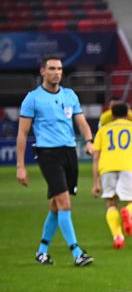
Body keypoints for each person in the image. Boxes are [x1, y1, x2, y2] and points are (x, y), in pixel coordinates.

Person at [15, 56, 95, 266]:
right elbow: (22, 134)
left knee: (56, 204)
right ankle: (77, 252)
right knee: (64, 203)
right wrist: (20, 166)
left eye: (59, 68)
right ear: (42, 71)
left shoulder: (70, 95)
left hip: (69, 153)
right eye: (52, 68)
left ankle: (42, 251)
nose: (57, 72)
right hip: (48, 154)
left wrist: (89, 141)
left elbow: (82, 122)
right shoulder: (32, 99)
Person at [91, 101, 132, 249]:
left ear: (112, 115)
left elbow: (96, 158)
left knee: (111, 204)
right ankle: (128, 213)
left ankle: (118, 237)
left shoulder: (103, 130)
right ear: (128, 113)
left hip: (107, 168)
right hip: (128, 167)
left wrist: (96, 182)